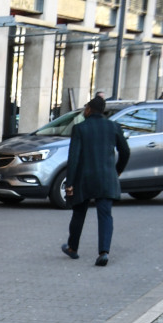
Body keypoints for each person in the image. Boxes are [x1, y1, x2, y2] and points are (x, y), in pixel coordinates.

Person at [61, 95, 130, 267]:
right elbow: (125, 152)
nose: (84, 110)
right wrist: (117, 171)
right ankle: (104, 252)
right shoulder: (113, 127)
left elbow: (74, 158)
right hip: (107, 177)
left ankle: (72, 248)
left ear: (90, 109)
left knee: (79, 212)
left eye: (86, 108)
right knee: (105, 214)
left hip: (84, 179)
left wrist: (69, 183)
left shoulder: (80, 128)